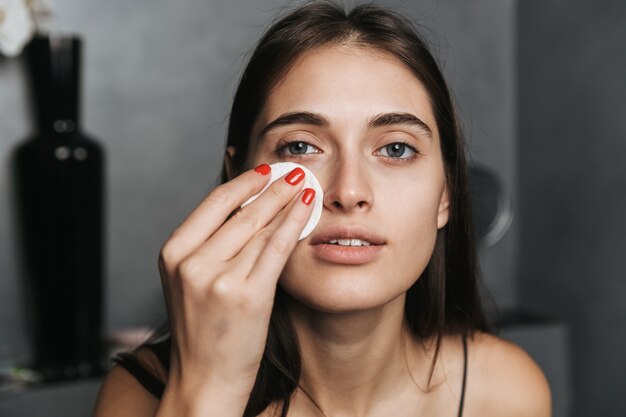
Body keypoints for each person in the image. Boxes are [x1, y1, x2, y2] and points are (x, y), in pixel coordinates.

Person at [93, 2, 551, 416]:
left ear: (446, 195)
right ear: (240, 181)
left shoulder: (507, 393)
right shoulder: (139, 396)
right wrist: (207, 392)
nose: (348, 192)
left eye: (395, 148)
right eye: (300, 146)